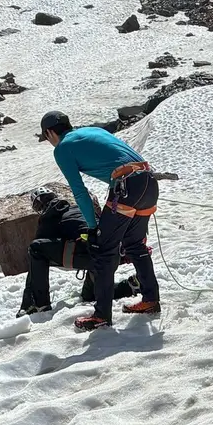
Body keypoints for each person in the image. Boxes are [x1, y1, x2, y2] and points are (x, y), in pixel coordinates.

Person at [40, 109, 161, 332]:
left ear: (50, 133)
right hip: (148, 181)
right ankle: (150, 299)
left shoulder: (63, 148)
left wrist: (94, 227)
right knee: (134, 245)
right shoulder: (92, 131)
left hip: (127, 187)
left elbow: (79, 191)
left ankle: (101, 315)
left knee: (103, 249)